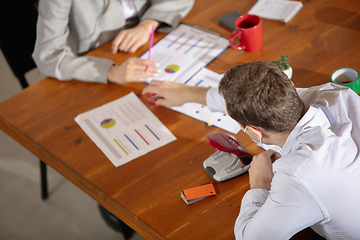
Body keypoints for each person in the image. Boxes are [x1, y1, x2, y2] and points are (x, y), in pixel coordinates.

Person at [142, 61, 360, 239]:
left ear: (254, 132)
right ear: (290, 86)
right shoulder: (334, 94)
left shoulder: (299, 177)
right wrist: (189, 93)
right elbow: (254, 97)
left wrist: (259, 184)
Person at [32, 0, 194, 84]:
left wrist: (148, 24)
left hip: (146, 45)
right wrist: (110, 72)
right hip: (95, 63)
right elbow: (48, 55)